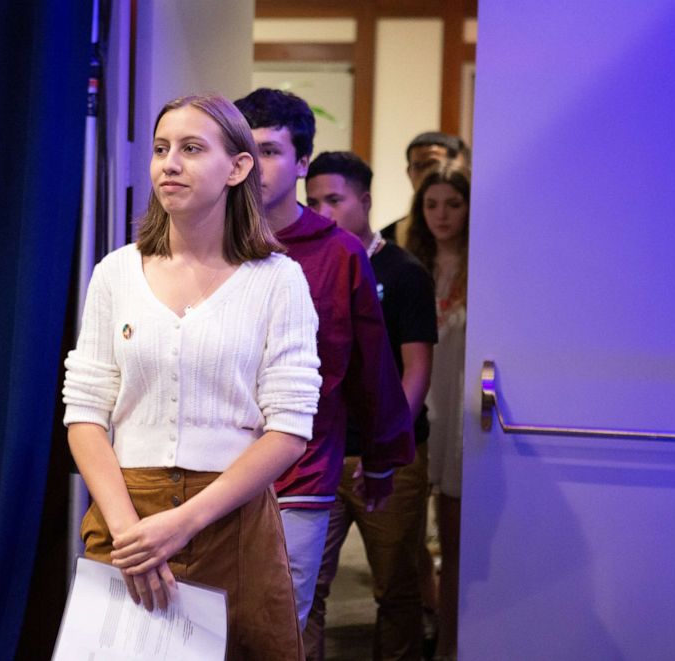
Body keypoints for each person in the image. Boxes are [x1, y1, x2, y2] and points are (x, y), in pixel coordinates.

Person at [62, 93, 322, 660]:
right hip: (126, 512)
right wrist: (130, 529)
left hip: (230, 516)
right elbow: (84, 412)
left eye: (191, 148)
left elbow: (290, 427)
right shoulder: (116, 272)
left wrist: (184, 521)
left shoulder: (278, 280)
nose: (169, 163)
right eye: (160, 149)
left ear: (238, 167)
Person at [234, 88, 414, 632]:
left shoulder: (339, 252)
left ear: (302, 163)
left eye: (269, 151)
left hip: (303, 465)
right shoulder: (210, 241)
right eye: (244, 149)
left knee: (281, 622)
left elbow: (369, 365)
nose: (253, 165)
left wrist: (382, 456)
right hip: (213, 463)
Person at [302, 151, 438, 661]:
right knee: (305, 585)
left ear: (365, 200)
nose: (322, 211)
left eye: (334, 200)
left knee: (395, 589)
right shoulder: (304, 264)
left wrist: (386, 447)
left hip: (389, 455)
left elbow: (416, 370)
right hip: (319, 452)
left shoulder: (403, 272)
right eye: (313, 201)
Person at [405, 163, 471, 661]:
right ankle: (429, 619)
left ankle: (451, 642)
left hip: (464, 414)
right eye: (432, 204)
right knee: (405, 540)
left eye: (453, 203)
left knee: (457, 540)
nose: (442, 214)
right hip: (419, 410)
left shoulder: (487, 266)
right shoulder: (412, 269)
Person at [382, 131, 468, 246]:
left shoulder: (476, 231)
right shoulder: (388, 237)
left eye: (432, 164)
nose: (425, 174)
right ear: (409, 173)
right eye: (417, 167)